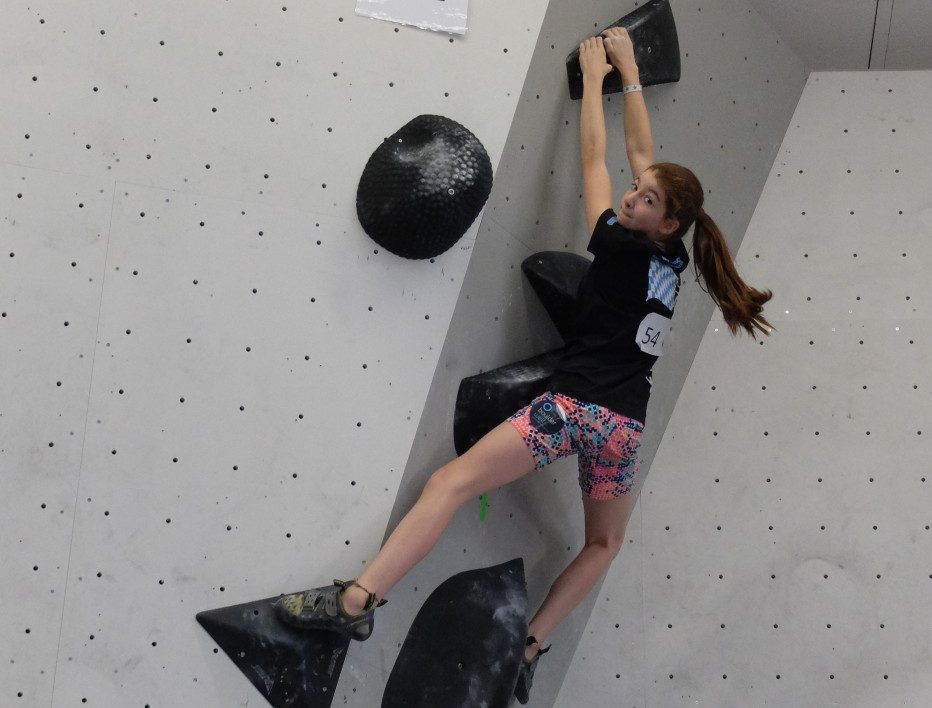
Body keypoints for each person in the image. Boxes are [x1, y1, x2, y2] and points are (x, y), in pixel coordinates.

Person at [275, 27, 774, 702]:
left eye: (643, 200)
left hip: (571, 413)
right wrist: (628, 69)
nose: (630, 197)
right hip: (623, 428)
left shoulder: (622, 244)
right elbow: (640, 157)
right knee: (603, 546)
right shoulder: (672, 257)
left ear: (661, 221)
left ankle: (357, 602)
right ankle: (530, 644)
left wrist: (596, 81)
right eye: (637, 193)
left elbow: (601, 157)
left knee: (449, 484)